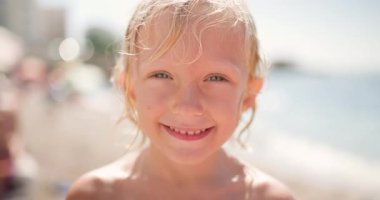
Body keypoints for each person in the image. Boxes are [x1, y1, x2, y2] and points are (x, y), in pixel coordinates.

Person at [67, 0, 295, 199]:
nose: (188, 107)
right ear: (130, 87)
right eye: (162, 75)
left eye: (216, 78)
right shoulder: (95, 194)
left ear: (249, 94)